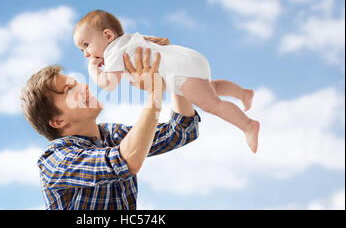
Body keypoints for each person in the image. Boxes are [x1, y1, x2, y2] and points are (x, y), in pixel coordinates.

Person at [20, 47, 201, 210]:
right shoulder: (56, 160)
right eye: (69, 90)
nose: (83, 86)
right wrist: (154, 94)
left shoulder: (112, 135)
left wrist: (170, 73)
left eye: (76, 82)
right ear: (57, 121)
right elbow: (124, 161)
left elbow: (180, 132)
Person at [73, 10, 260, 153]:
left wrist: (93, 68)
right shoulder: (129, 39)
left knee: (212, 104)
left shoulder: (113, 51)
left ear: (107, 36)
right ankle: (243, 93)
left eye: (86, 45)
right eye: (82, 51)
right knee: (211, 88)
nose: (87, 54)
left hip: (180, 72)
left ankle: (248, 125)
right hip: (186, 59)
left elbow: (109, 84)